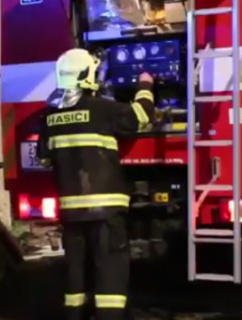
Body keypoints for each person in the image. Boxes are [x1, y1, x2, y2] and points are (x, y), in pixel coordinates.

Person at [36, 48, 155, 320]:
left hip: (71, 213)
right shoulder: (102, 109)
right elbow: (140, 115)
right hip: (106, 211)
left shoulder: (49, 115)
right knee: (110, 270)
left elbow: (44, 159)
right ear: (88, 75)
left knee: (76, 274)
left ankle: (75, 316)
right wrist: (145, 85)